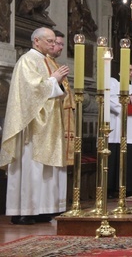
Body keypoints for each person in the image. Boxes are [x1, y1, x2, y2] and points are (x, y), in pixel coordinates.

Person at [0, 27, 69, 225]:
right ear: (36, 41)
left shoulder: (47, 61)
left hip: (47, 125)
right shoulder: (27, 60)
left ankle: (43, 209)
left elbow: (54, 90)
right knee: (30, 167)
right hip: (32, 126)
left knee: (44, 170)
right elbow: (31, 90)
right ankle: (24, 210)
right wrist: (54, 80)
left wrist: (57, 83)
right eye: (49, 41)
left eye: (53, 41)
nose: (53, 44)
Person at [107, 63, 132, 197]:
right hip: (117, 126)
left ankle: (131, 187)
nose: (131, 73)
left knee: (131, 155)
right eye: (128, 70)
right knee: (115, 155)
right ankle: (112, 188)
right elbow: (109, 101)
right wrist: (125, 102)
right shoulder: (112, 83)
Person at [47, 30, 75, 166]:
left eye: (63, 45)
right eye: (58, 43)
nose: (61, 47)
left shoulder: (55, 64)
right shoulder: (44, 63)